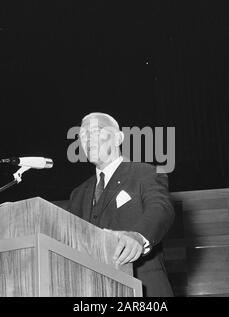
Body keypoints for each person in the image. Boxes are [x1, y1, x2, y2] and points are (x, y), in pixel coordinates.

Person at [67, 112, 175, 297]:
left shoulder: (146, 173)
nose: (88, 138)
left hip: (144, 289)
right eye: (83, 135)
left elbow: (160, 209)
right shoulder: (78, 194)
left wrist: (139, 237)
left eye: (96, 130)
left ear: (118, 138)